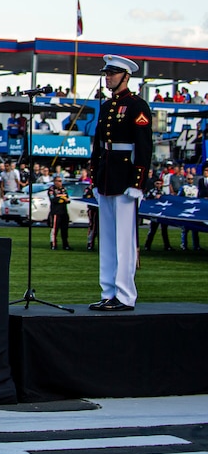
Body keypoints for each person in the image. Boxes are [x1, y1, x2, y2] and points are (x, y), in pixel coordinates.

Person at [87, 55, 152, 312]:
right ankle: (108, 291)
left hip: (125, 178)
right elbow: (98, 144)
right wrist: (94, 175)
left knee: (125, 240)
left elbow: (144, 147)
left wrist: (138, 181)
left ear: (126, 76)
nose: (108, 77)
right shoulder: (105, 106)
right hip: (106, 175)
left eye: (112, 73)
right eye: (107, 73)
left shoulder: (137, 105)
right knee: (108, 239)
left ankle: (124, 295)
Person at [141, 177, 172, 252]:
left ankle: (167, 246)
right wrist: (154, 198)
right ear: (154, 184)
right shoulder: (151, 192)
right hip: (154, 214)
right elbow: (147, 200)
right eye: (157, 183)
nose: (158, 185)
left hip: (162, 213)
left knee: (164, 230)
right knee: (152, 230)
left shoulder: (163, 193)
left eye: (160, 183)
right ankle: (147, 245)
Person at [48, 175, 72, 249]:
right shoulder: (51, 189)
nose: (60, 183)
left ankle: (65, 245)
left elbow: (68, 199)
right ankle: (53, 244)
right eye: (58, 181)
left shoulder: (64, 189)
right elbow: (54, 199)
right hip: (56, 212)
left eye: (61, 181)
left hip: (64, 212)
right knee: (54, 229)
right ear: (55, 182)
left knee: (65, 230)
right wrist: (63, 199)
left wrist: (62, 199)